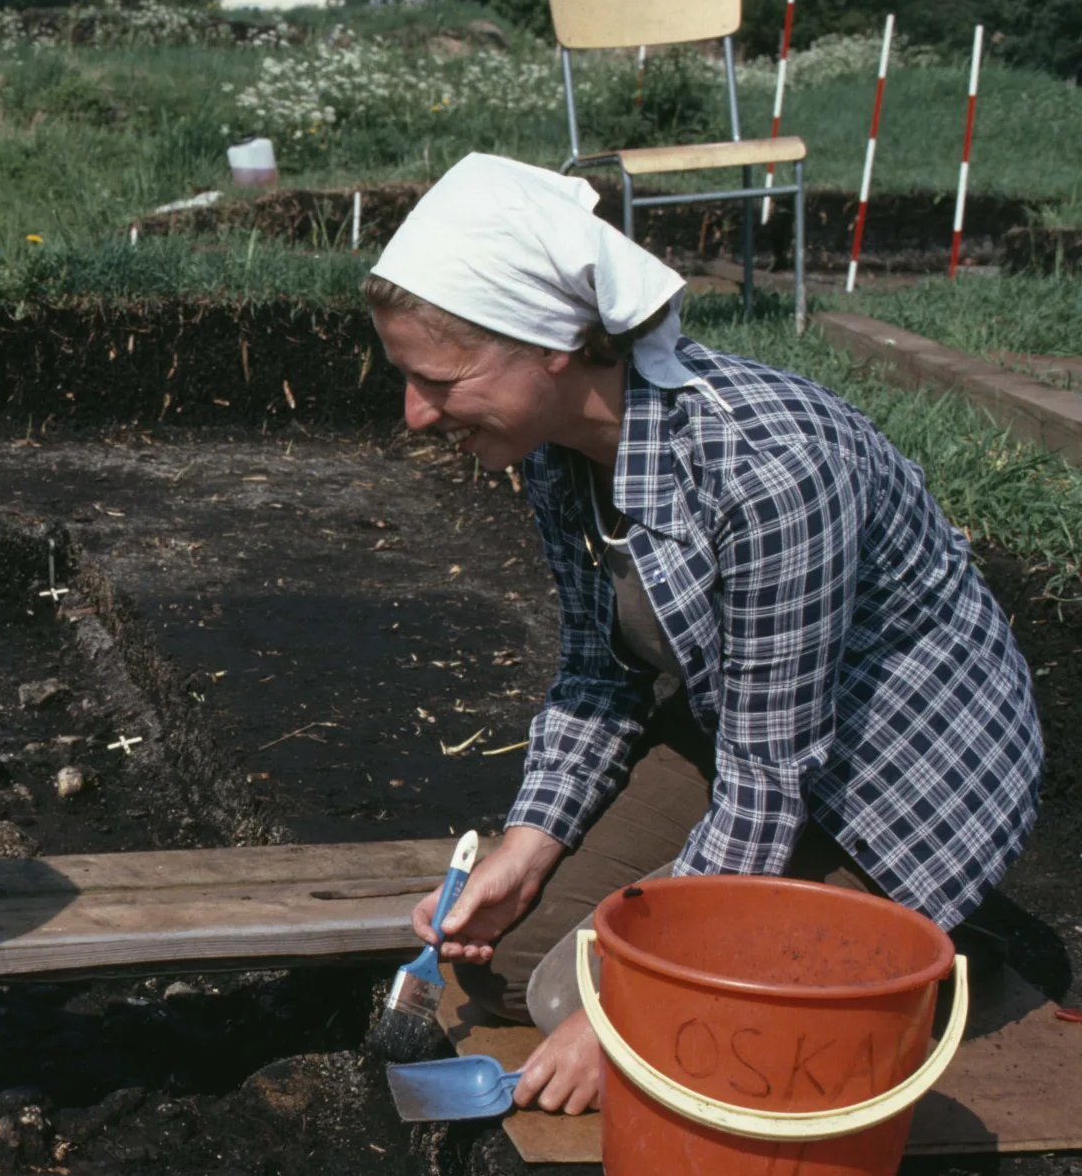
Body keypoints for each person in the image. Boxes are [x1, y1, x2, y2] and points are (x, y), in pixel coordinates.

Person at [365, 156, 1042, 1114]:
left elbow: (772, 774)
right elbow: (601, 676)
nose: (415, 414)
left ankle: (943, 941)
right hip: (754, 735)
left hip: (901, 782)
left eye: (439, 379)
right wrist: (528, 842)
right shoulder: (563, 460)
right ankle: (805, 937)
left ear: (552, 344)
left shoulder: (770, 473)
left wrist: (620, 1015)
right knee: (518, 962)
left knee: (611, 1007)